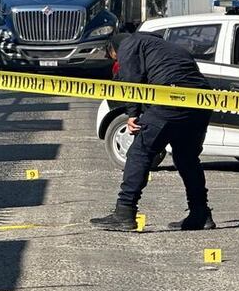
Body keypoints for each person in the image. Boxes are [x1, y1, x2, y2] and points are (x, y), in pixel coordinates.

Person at [91, 32, 215, 232]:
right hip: (200, 102)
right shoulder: (167, 47)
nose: (117, 61)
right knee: (187, 159)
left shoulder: (129, 44)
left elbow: (131, 81)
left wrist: (132, 114)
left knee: (139, 153)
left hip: (170, 99)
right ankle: (200, 213)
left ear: (113, 49)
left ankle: (124, 212)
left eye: (113, 57)